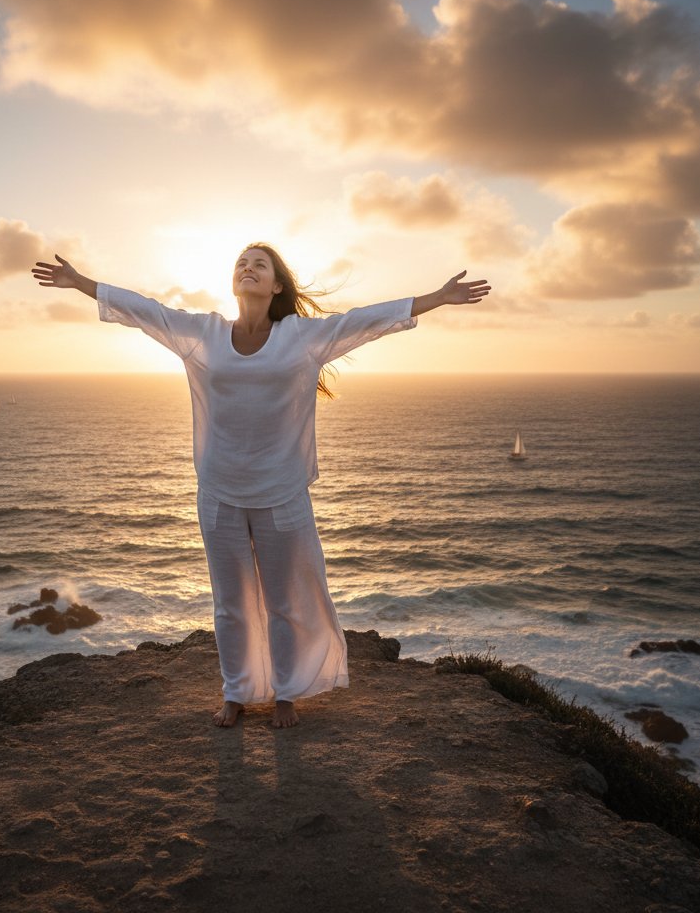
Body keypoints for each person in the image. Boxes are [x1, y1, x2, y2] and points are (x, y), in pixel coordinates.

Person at [32, 245, 491, 729]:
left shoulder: (301, 337)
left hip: (283, 493)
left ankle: (287, 694)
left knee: (284, 602)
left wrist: (436, 298)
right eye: (240, 264)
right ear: (234, 282)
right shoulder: (203, 334)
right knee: (230, 604)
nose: (247, 268)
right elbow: (145, 311)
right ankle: (236, 692)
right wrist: (82, 283)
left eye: (259, 264)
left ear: (275, 285)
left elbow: (365, 320)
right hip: (219, 491)